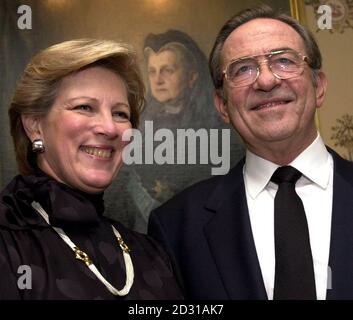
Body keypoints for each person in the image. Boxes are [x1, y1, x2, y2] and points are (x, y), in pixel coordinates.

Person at [148, 5, 353, 300]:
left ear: (318, 86)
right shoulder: (176, 227)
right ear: (222, 105)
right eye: (243, 69)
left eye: (284, 61)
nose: (266, 81)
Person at [0, 39, 183, 300]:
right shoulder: (10, 241)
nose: (109, 128)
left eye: (120, 113)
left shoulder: (149, 253)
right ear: (34, 125)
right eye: (84, 107)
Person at [104, 30, 244, 233]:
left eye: (167, 70)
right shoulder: (132, 128)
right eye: (152, 71)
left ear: (192, 77)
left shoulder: (220, 129)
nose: (158, 80)